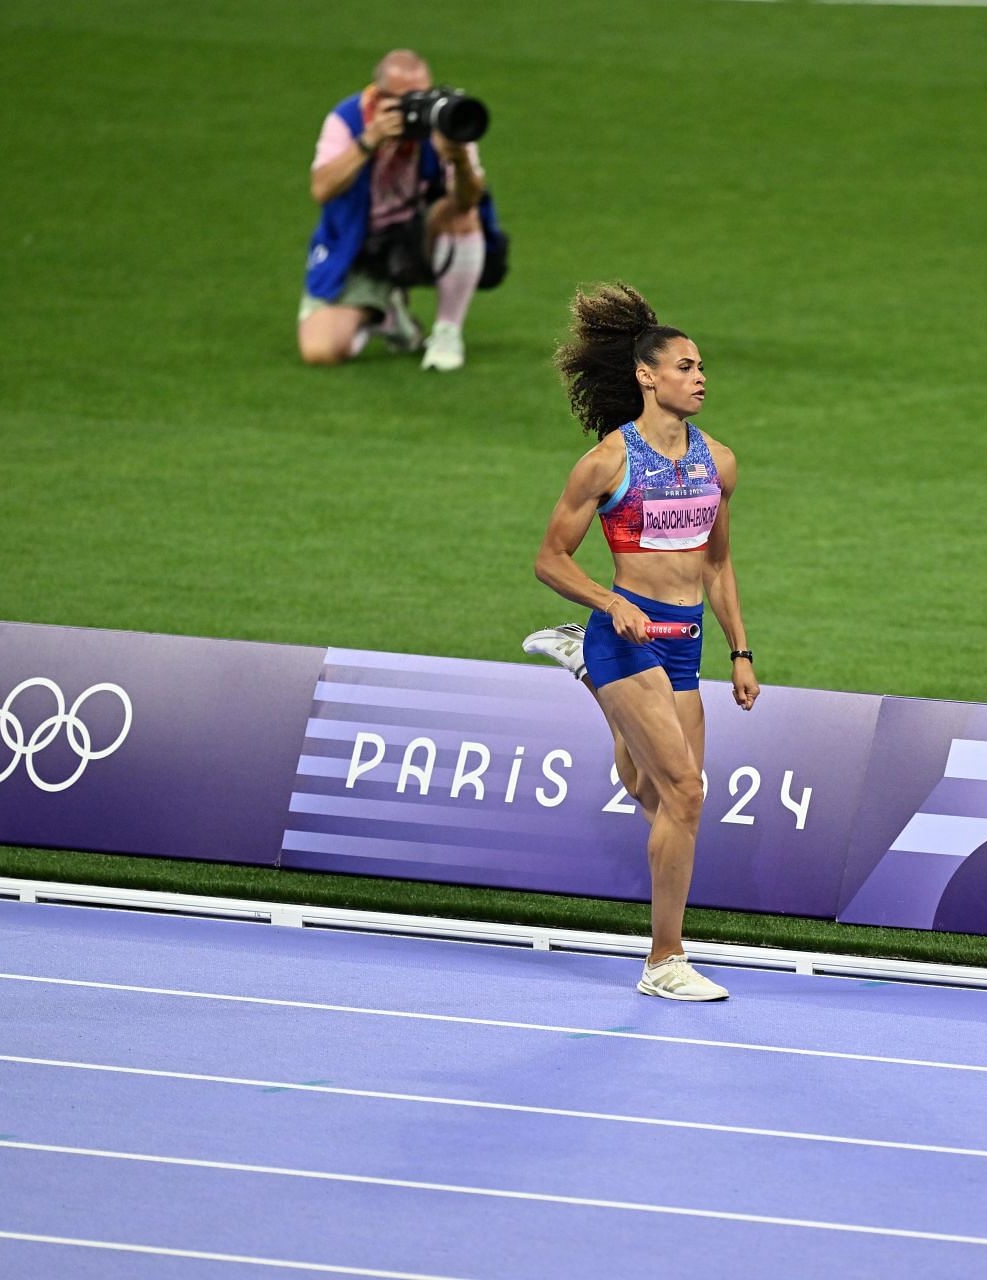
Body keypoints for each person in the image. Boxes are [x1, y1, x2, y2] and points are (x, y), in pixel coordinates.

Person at [525, 284, 758, 1002]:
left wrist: (740, 652)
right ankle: (664, 962)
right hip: (628, 635)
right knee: (687, 793)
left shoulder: (718, 462)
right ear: (647, 376)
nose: (700, 377)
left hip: (683, 643)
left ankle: (585, 668)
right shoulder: (607, 462)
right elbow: (550, 559)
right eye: (686, 366)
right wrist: (607, 600)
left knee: (652, 795)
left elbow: (717, 563)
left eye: (702, 368)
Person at [298, 49, 505, 371]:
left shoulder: (447, 119)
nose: (418, 108)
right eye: (406, 101)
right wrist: (370, 139)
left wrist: (458, 158)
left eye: (422, 97)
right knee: (320, 351)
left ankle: (446, 333)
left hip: (421, 236)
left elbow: (468, 202)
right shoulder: (348, 118)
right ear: (378, 96)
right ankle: (386, 314)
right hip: (359, 246)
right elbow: (321, 189)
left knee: (461, 216)